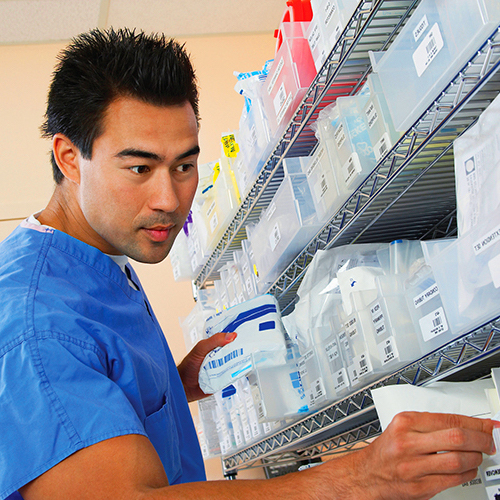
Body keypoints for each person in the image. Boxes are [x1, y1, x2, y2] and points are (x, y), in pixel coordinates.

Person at [0, 27, 496, 500]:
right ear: (69, 157)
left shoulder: (92, 259)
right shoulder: (36, 320)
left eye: (184, 166)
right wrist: (358, 480)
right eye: (139, 168)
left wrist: (172, 384)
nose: (169, 198)